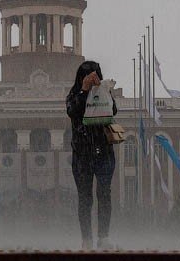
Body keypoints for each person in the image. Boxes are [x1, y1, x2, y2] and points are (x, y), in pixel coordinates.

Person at [66, 60, 117, 250]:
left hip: (104, 153)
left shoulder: (103, 92)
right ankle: (87, 240)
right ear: (81, 77)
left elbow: (113, 110)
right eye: (88, 75)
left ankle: (103, 237)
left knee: (104, 195)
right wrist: (85, 89)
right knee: (85, 198)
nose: (93, 78)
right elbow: (73, 111)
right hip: (82, 156)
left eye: (96, 75)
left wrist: (103, 90)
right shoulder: (74, 95)